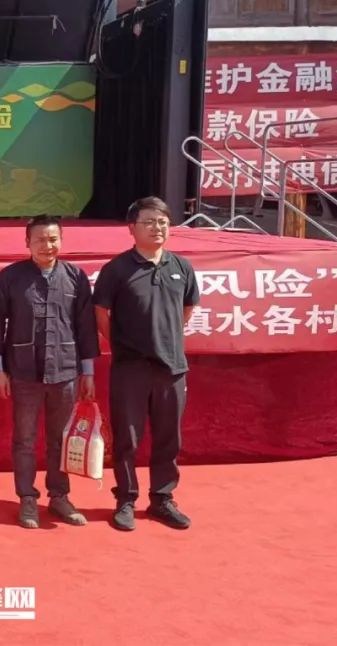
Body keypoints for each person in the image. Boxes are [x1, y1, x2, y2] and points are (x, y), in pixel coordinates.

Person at [0, 215, 99, 529]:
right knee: (24, 439)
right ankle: (27, 498)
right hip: (23, 372)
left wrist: (87, 371)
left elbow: (86, 327)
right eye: (40, 240)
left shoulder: (75, 277)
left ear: (61, 240)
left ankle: (59, 496)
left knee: (60, 438)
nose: (47, 245)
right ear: (27, 243)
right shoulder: (11, 277)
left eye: (52, 239)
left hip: (65, 371)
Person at [94, 196, 200, 531]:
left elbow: (187, 308)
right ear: (132, 228)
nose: (157, 228)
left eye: (163, 222)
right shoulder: (117, 269)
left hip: (171, 368)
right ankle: (126, 498)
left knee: (169, 437)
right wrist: (124, 344)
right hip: (131, 368)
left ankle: (162, 498)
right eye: (149, 222)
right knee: (127, 437)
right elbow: (101, 313)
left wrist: (166, 339)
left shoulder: (181, 267)